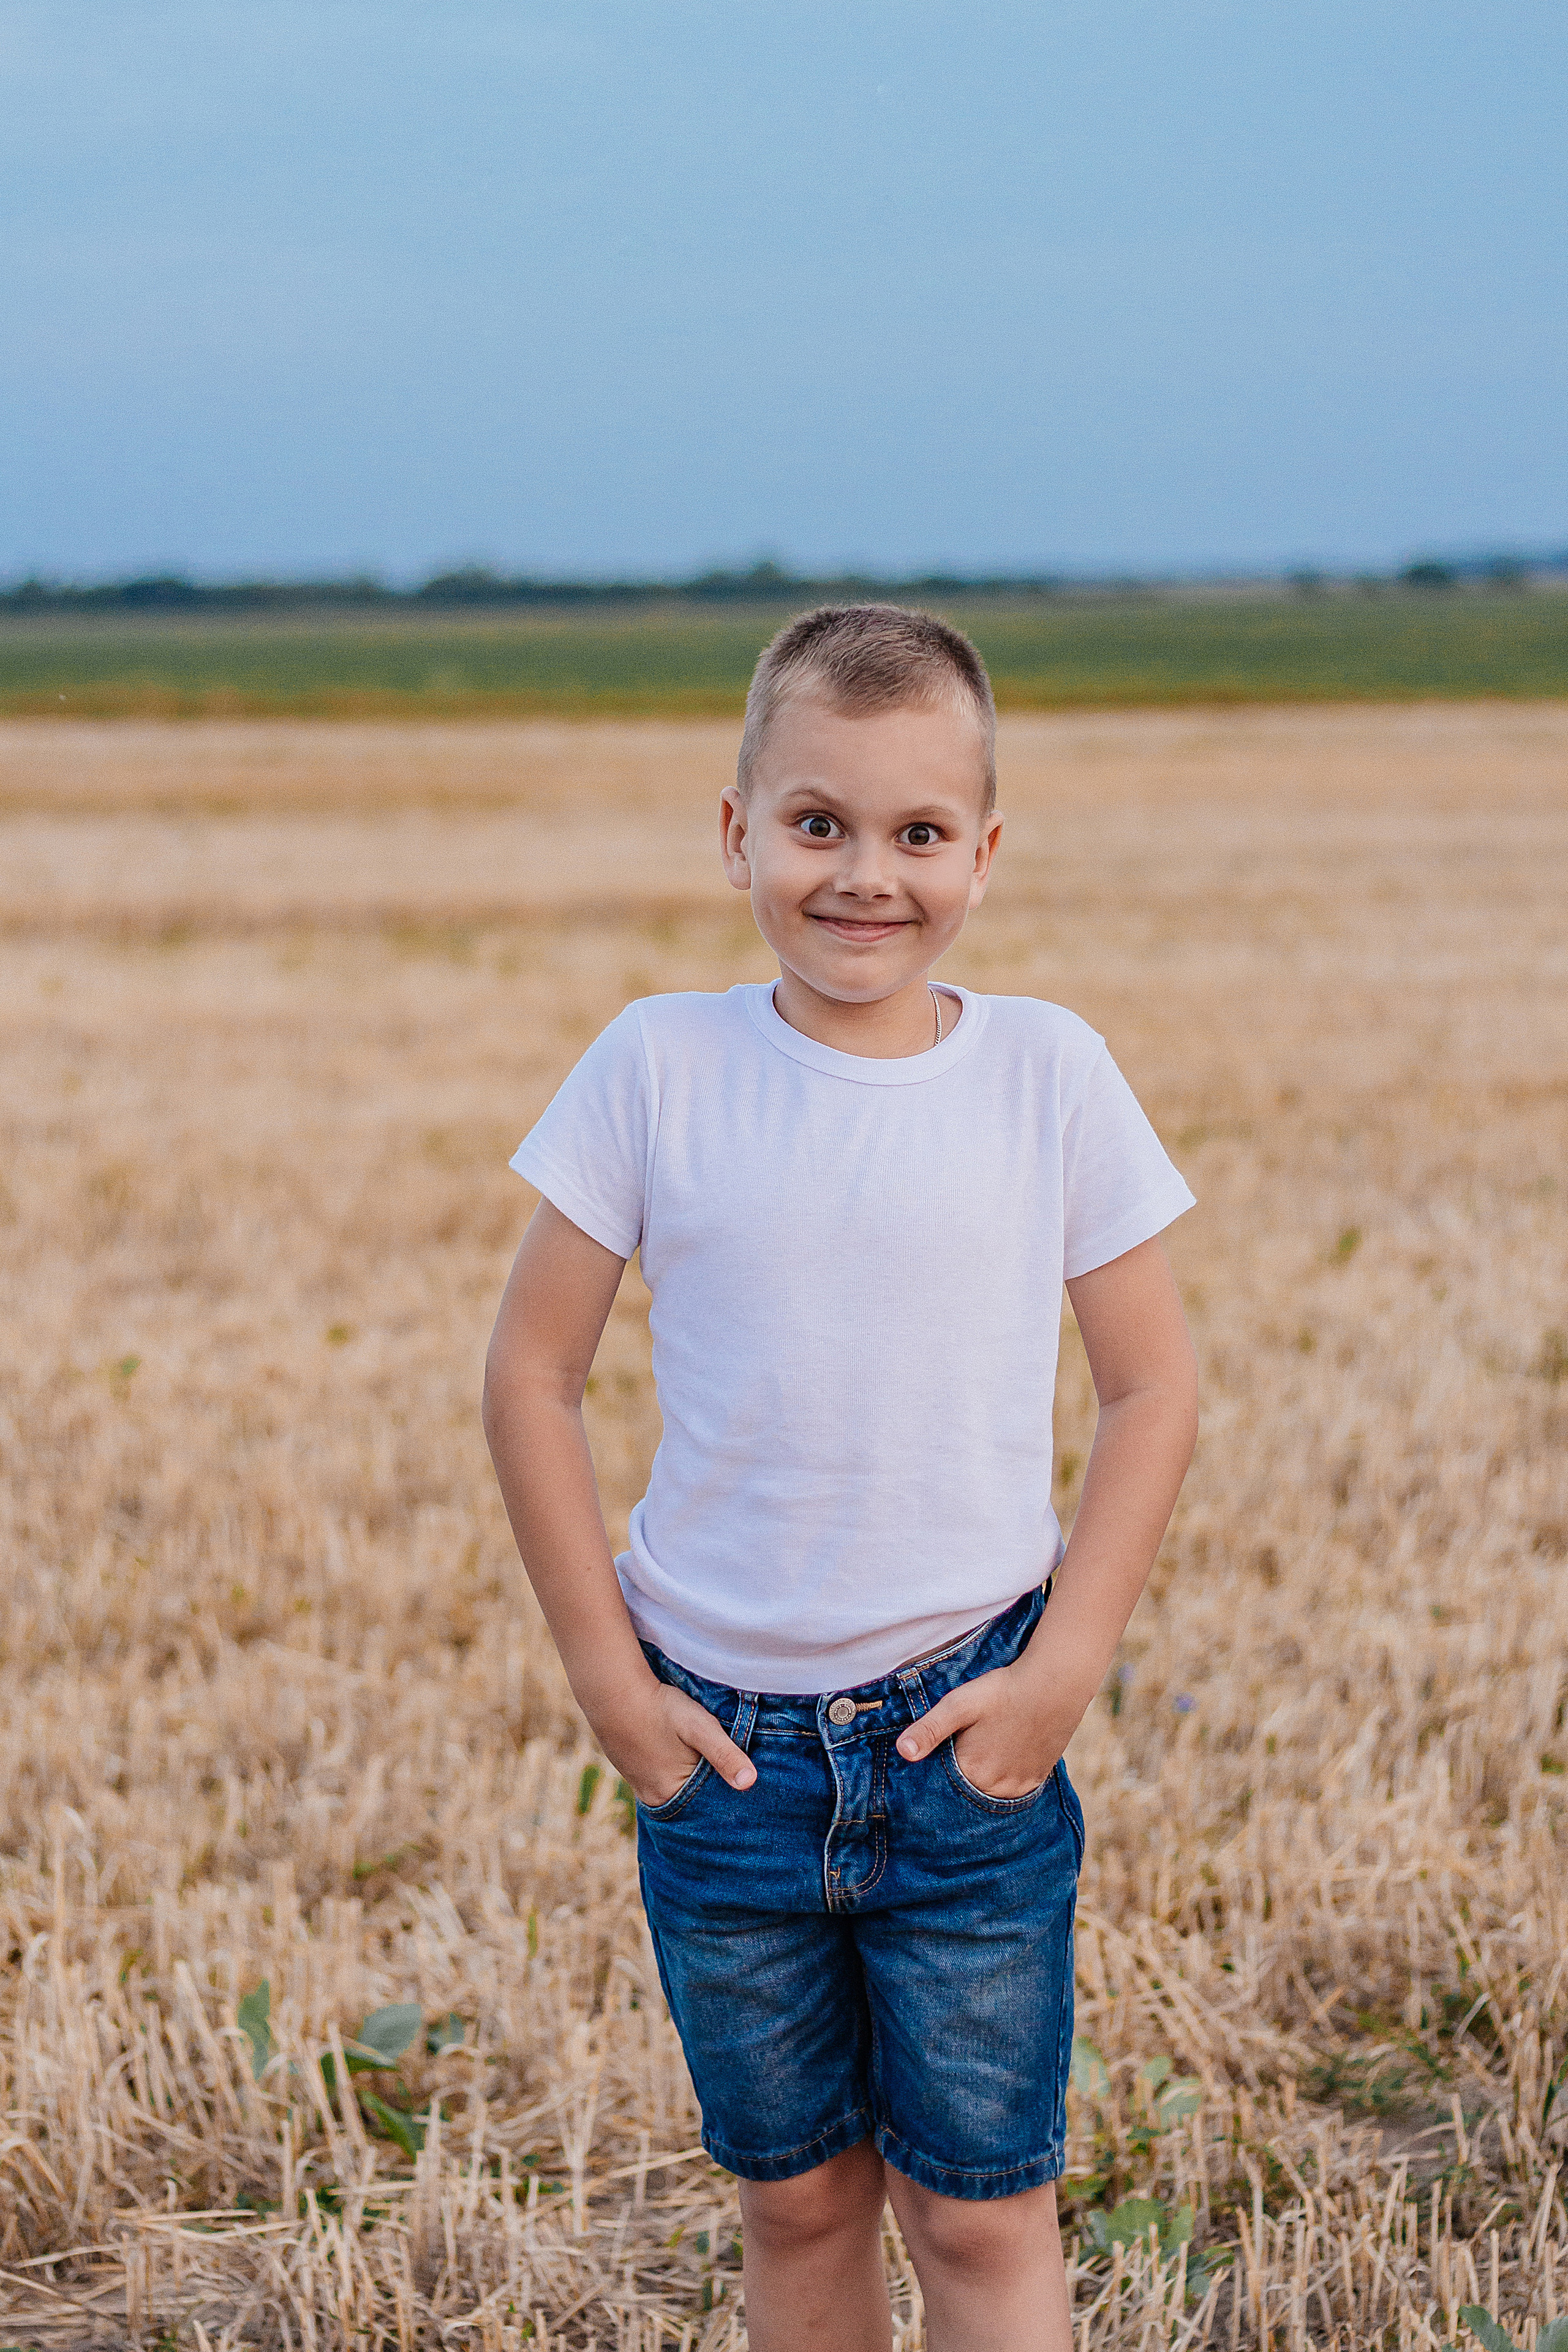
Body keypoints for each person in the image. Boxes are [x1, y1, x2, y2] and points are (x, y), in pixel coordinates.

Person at [483, 605, 1199, 2352]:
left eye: (917, 834)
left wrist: (1063, 1672)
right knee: (796, 2201)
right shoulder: (657, 1066)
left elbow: (1156, 1382)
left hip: (968, 1747)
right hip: (721, 1757)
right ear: (736, 831)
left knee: (976, 2216)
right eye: (817, 825)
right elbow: (529, 1371)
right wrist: (610, 1685)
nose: (865, 875)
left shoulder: (1048, 1074)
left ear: (985, 853)